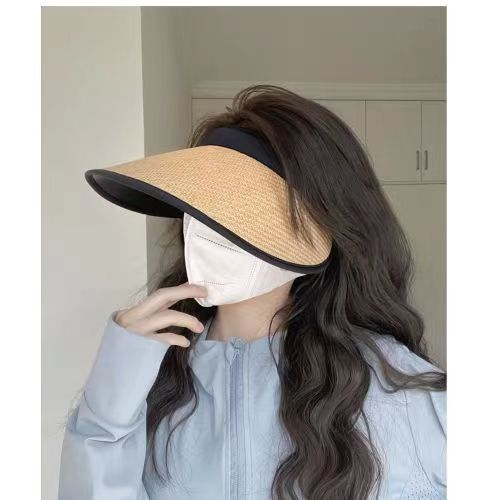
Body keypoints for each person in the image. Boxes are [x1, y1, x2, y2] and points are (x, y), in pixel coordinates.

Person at [58, 85, 446, 500]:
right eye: (197, 211)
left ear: (322, 226)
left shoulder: (404, 393)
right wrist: (112, 394)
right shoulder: (146, 379)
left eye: (238, 215)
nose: (203, 236)